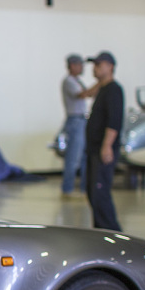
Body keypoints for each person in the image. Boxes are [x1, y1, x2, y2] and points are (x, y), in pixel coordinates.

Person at [84, 51, 124, 231]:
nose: (95, 68)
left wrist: (107, 145)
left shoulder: (114, 90)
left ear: (111, 67)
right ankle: (101, 231)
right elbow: (86, 93)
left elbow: (114, 121)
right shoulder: (102, 88)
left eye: (99, 65)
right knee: (92, 192)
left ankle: (113, 233)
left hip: (103, 150)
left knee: (100, 194)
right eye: (94, 65)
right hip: (93, 149)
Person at [59, 54, 98, 196]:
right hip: (75, 121)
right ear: (72, 66)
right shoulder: (69, 81)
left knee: (83, 157)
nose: (82, 68)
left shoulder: (77, 81)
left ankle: (84, 188)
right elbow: (83, 94)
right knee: (73, 157)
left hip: (82, 120)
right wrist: (101, 82)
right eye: (80, 65)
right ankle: (67, 189)